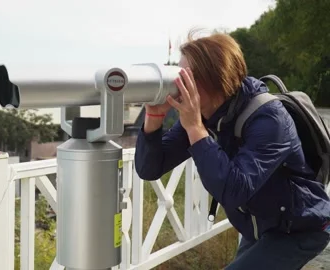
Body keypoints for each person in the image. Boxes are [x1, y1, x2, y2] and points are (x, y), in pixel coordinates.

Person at [134, 31, 330, 269]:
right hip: (259, 223)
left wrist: (195, 129)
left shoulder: (269, 119)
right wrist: (153, 119)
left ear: (216, 77)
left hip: (300, 227)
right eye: (178, 74)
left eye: (188, 76)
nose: (179, 83)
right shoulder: (205, 116)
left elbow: (234, 190)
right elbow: (150, 168)